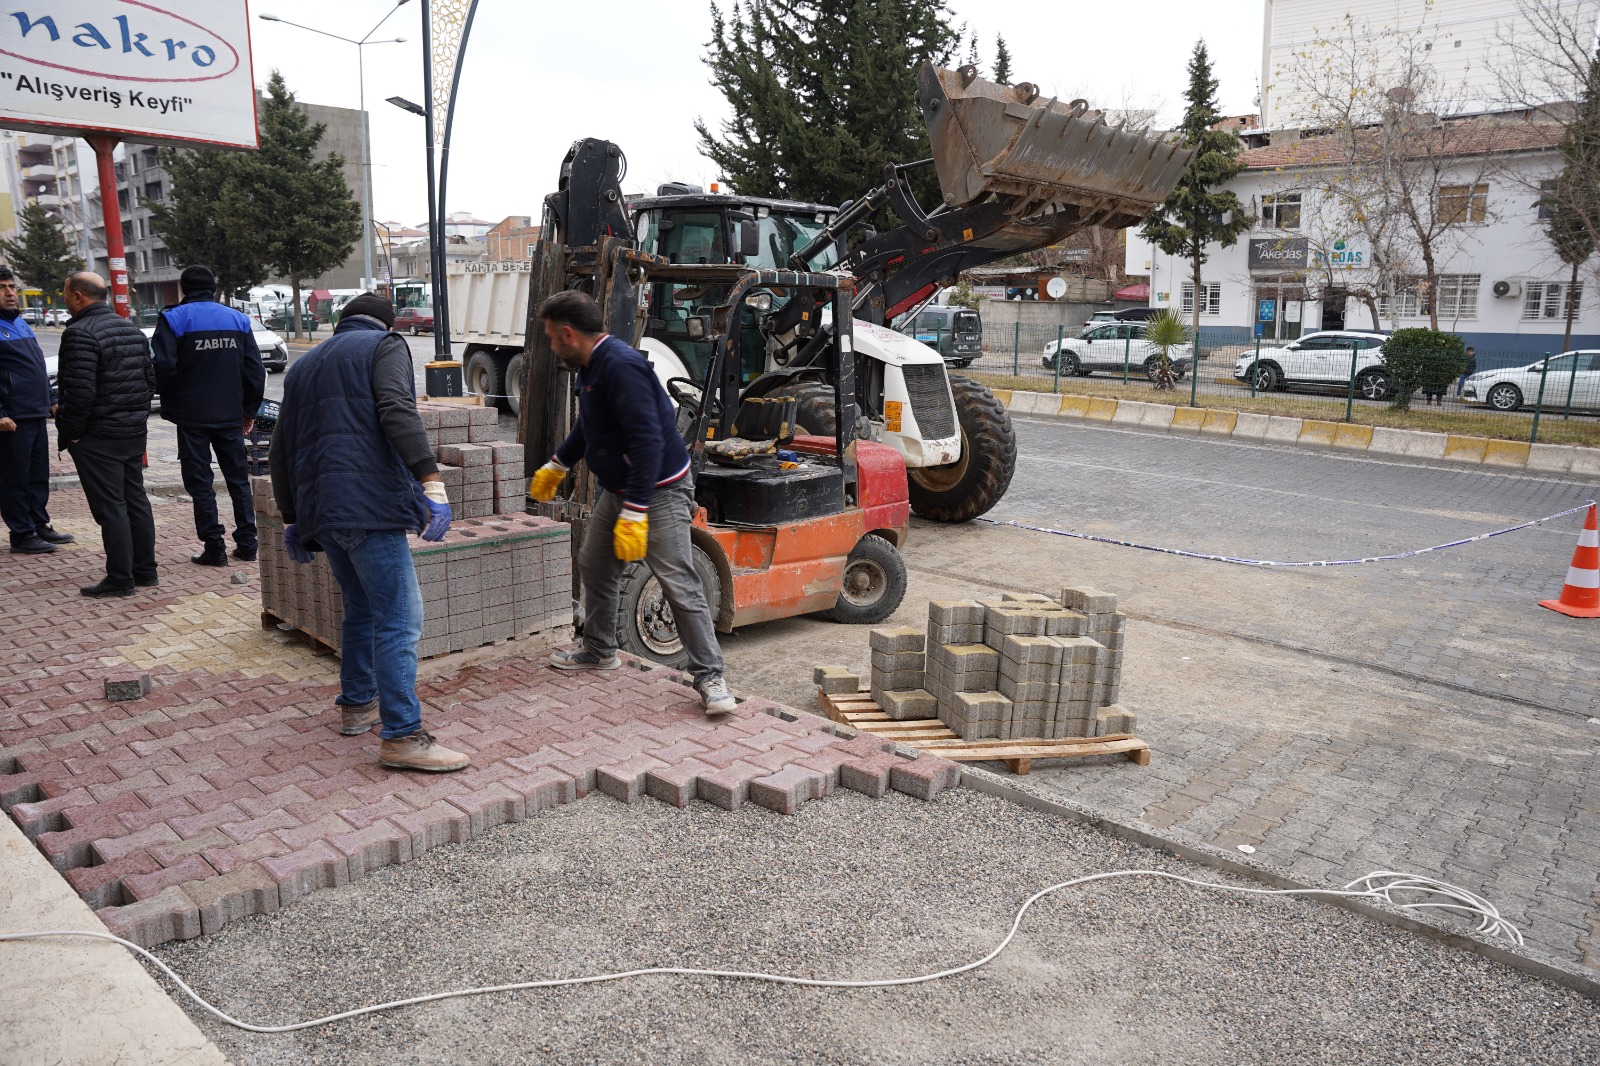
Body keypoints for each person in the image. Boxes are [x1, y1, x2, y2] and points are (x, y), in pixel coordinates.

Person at [269, 293, 470, 773]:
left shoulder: (302, 366)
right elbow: (398, 411)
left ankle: (357, 705)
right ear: (384, 324)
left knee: (360, 609)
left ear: (341, 322)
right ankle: (402, 735)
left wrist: (294, 515)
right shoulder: (384, 347)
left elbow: (281, 447)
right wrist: (431, 479)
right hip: (367, 505)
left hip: (324, 511)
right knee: (400, 619)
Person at [527, 289, 736, 715]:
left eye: (552, 338)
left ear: (569, 333)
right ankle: (600, 649)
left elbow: (648, 443)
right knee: (595, 563)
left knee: (677, 579)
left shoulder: (620, 367)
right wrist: (558, 463)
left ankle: (710, 677)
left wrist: (637, 509)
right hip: (623, 489)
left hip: (657, 490)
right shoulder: (590, 367)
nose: (551, 346)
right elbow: (591, 426)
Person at [152, 264, 265, 566]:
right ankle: (248, 543)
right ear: (213, 288)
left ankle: (214, 547)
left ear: (184, 289)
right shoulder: (238, 319)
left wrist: (172, 402)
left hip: (191, 417)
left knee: (200, 482)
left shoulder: (174, 318)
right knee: (238, 479)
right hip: (230, 414)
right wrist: (249, 410)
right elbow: (254, 370)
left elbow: (163, 367)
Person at [54, 272, 157, 597]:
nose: (65, 299)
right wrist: (135, 418)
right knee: (135, 501)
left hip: (98, 437)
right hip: (130, 432)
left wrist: (72, 433)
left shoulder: (79, 333)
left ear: (79, 296)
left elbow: (80, 392)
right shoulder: (131, 328)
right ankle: (145, 572)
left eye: (66, 293)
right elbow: (149, 381)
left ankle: (120, 579)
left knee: (111, 507)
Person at [0, 267, 72, 554]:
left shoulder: (20, 323)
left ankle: (39, 524)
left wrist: (52, 398)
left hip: (34, 412)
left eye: (11, 287)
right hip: (11, 418)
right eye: (2, 287)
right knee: (14, 477)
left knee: (37, 474)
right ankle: (21, 533)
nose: (9, 292)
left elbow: (37, 369)